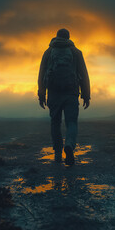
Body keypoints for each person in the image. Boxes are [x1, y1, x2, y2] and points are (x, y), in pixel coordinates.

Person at [37, 28, 90, 165]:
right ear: (68, 37)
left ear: (56, 37)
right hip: (71, 93)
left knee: (55, 123)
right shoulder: (76, 52)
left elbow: (41, 73)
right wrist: (86, 94)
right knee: (71, 122)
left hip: (53, 93)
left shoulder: (48, 52)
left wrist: (41, 94)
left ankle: (57, 151)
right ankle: (70, 145)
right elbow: (84, 73)